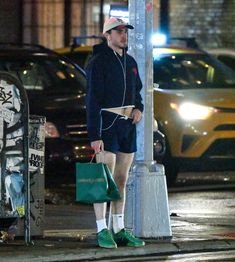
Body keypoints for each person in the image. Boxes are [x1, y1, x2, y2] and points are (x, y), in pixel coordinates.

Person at [85, 17, 145, 249]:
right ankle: (102, 229)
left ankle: (119, 229)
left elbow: (136, 91)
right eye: (117, 31)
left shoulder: (130, 62)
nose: (123, 35)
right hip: (106, 124)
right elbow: (92, 99)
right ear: (107, 35)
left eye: (125, 31)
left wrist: (138, 108)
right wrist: (94, 135)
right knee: (104, 179)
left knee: (121, 178)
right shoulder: (98, 62)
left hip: (126, 125)